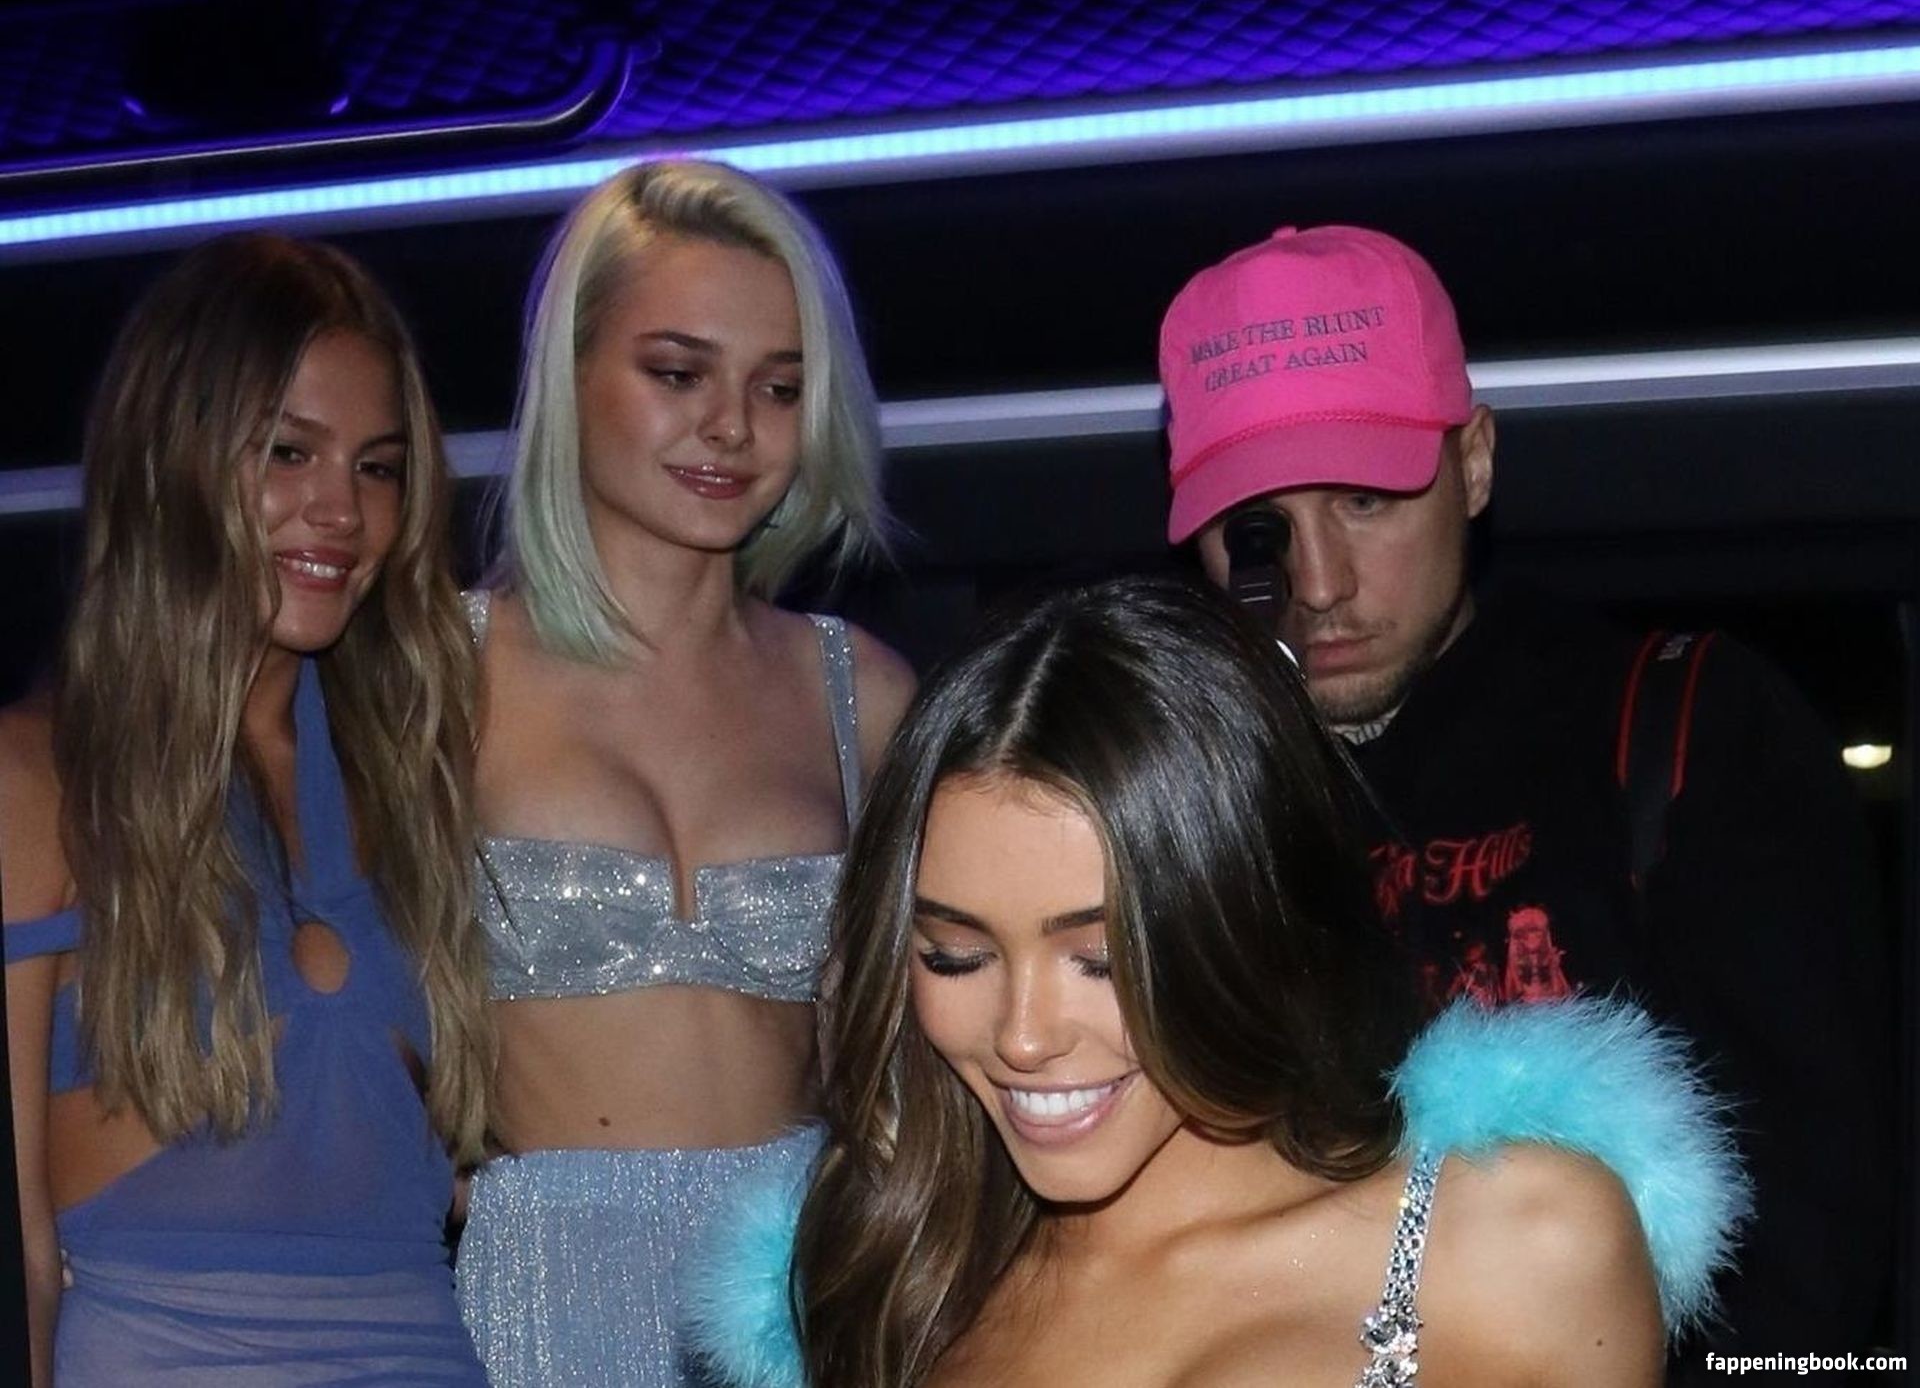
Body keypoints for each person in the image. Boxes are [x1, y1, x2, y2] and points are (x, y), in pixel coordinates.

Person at [1157, 224, 1892, 1368]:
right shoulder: (1187, 807)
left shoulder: (1684, 729)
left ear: (1475, 462)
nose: (1319, 583)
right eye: (1260, 529)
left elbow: (1814, 1245)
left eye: (1365, 500)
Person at [712, 576, 1738, 1388]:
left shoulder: (1526, 1239)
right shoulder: (883, 1289)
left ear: (1248, 920)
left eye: (1102, 959)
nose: (1022, 1034)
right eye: (958, 955)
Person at [0, 233, 492, 1384]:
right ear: (172, 458)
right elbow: (20, 1247)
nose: (340, 510)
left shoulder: (420, 776)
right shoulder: (36, 782)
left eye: (377, 468)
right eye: (288, 451)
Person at [454, 159, 915, 1386]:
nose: (732, 427)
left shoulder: (862, 695)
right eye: (677, 373)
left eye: (780, 388)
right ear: (572, 375)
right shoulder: (436, 674)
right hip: (538, 1300)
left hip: (799, 1298)